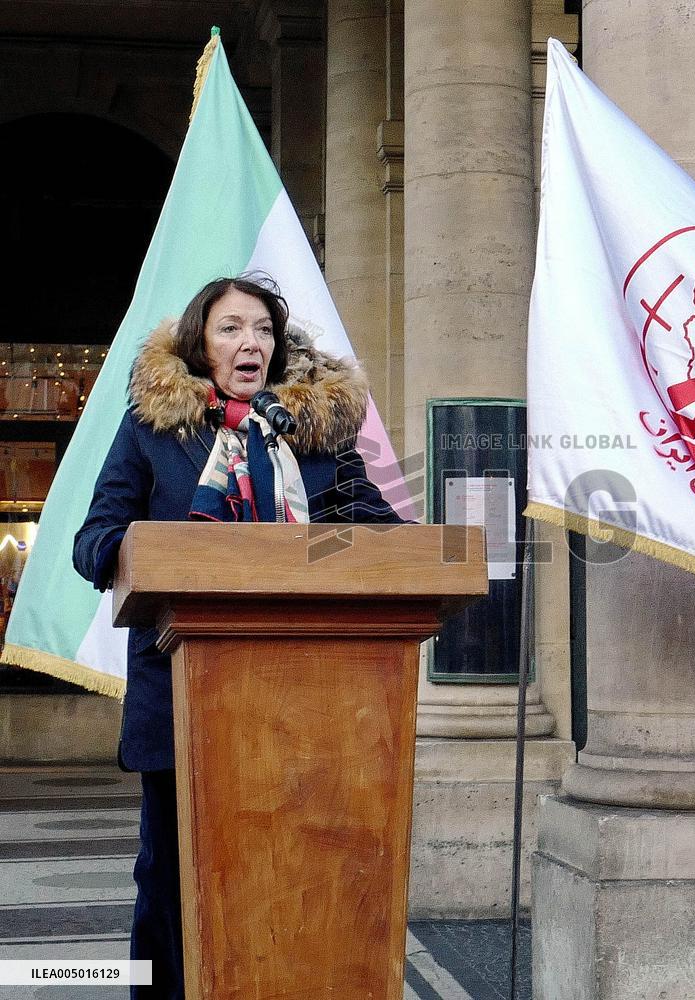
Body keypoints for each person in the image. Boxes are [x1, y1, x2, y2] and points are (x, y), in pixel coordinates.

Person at [73, 274, 403, 998]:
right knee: (172, 884)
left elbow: (386, 539)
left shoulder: (318, 439)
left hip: (311, 714)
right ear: (200, 343)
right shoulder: (152, 430)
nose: (248, 341)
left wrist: (435, 550)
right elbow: (93, 538)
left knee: (292, 879)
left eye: (261, 329)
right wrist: (142, 552)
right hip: (183, 704)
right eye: (230, 328)